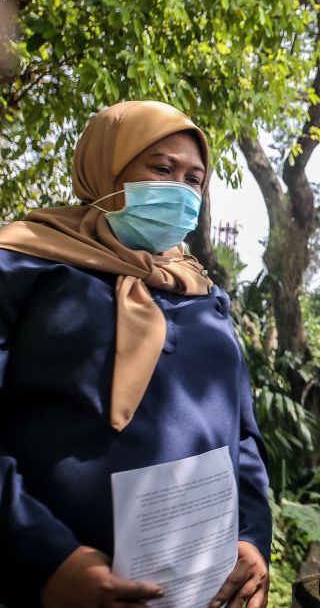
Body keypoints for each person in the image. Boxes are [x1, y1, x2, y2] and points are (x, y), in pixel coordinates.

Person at [0, 101, 271, 608]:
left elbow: (242, 437)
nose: (179, 191)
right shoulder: (21, 266)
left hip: (199, 592)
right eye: (161, 168)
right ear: (105, 168)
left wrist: (253, 539)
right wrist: (44, 558)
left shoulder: (203, 293)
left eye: (194, 179)